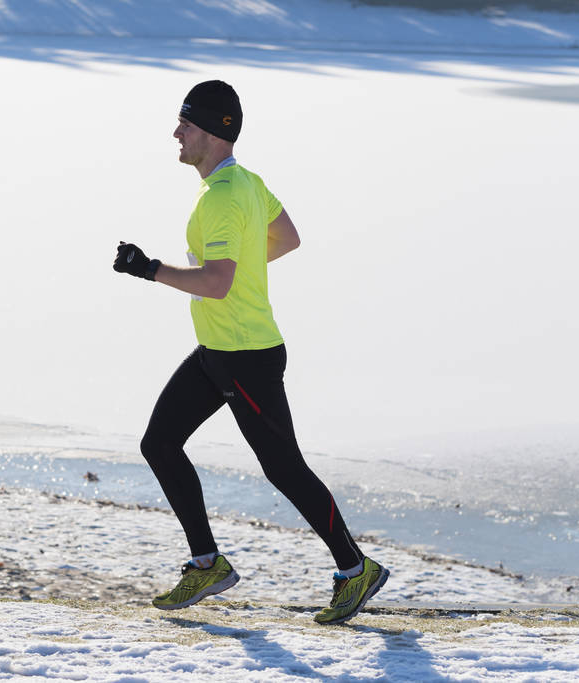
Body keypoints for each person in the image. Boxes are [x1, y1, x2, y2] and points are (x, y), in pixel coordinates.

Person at [111, 80, 388, 625]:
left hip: (247, 355)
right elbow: (285, 239)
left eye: (185, 126)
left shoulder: (222, 198)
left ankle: (356, 570)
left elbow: (216, 283)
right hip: (219, 349)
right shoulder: (245, 183)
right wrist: (240, 268)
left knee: (284, 469)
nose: (176, 134)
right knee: (160, 443)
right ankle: (207, 563)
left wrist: (150, 269)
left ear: (214, 132)